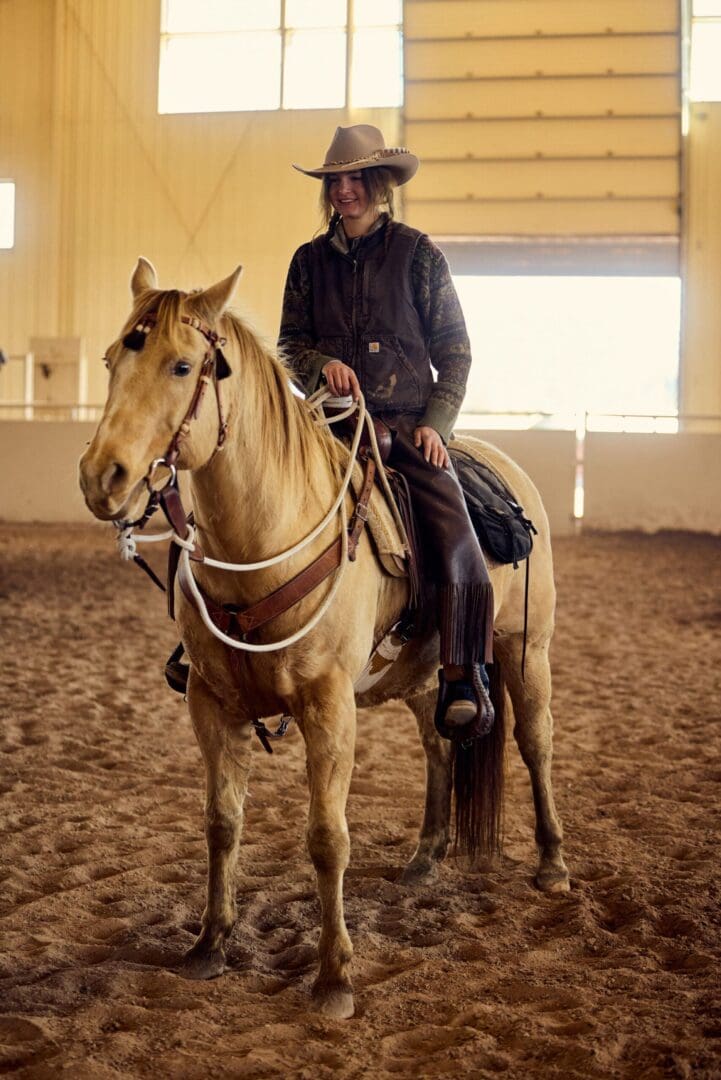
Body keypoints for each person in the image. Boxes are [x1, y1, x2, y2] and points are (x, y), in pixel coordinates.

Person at [278, 124, 494, 737]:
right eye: (335, 181)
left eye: (354, 179)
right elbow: (289, 345)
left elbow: (456, 352)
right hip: (329, 428)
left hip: (406, 430)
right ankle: (217, 649)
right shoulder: (307, 262)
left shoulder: (419, 254)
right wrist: (322, 366)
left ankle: (463, 670)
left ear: (379, 184)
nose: (344, 191)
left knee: (455, 529)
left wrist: (436, 425)